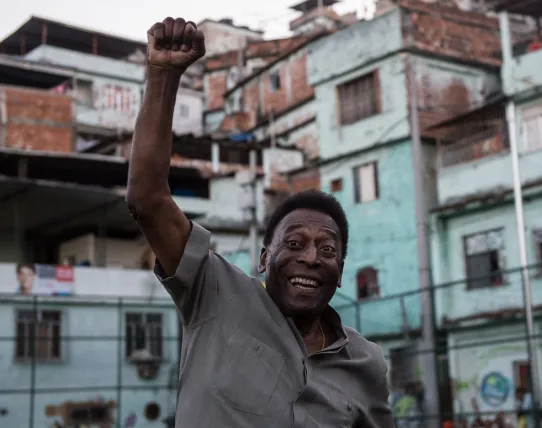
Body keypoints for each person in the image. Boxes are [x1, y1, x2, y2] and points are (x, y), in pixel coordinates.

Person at [125, 17, 393, 427]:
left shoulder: (366, 363)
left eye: (327, 250)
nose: (310, 258)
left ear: (340, 272)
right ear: (265, 258)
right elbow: (147, 199)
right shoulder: (214, 293)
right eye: (295, 243)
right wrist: (163, 74)